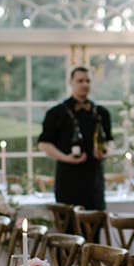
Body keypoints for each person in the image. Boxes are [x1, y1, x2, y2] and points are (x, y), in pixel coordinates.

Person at [37, 65, 113, 211]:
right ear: (70, 82)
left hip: (94, 181)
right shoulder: (56, 113)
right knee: (68, 223)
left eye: (88, 81)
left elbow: (109, 141)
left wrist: (105, 152)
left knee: (95, 222)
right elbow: (43, 144)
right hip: (68, 180)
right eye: (80, 81)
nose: (85, 84)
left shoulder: (102, 113)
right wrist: (65, 157)